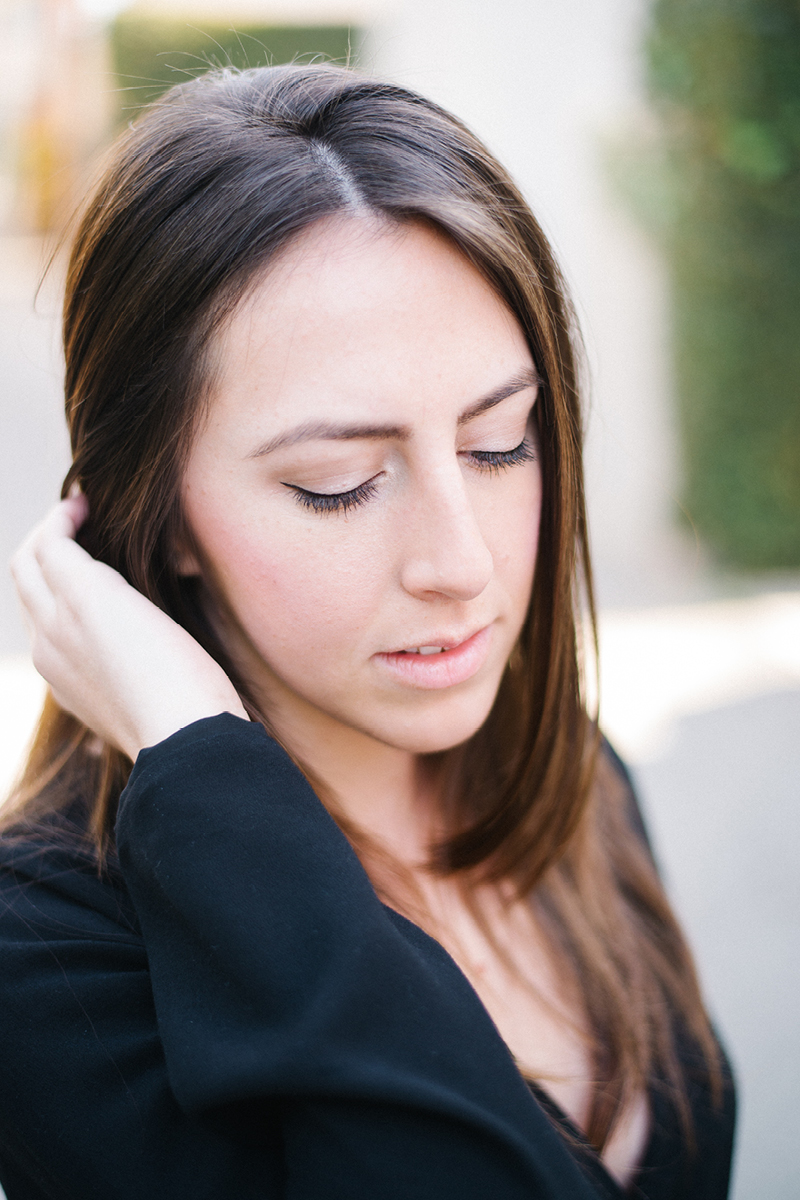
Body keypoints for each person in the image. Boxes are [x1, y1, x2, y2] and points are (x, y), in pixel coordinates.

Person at [0, 64, 734, 1199]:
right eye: (338, 483)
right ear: (162, 513)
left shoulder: (572, 781)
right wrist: (201, 758)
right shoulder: (48, 961)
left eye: (500, 443)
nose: (462, 563)